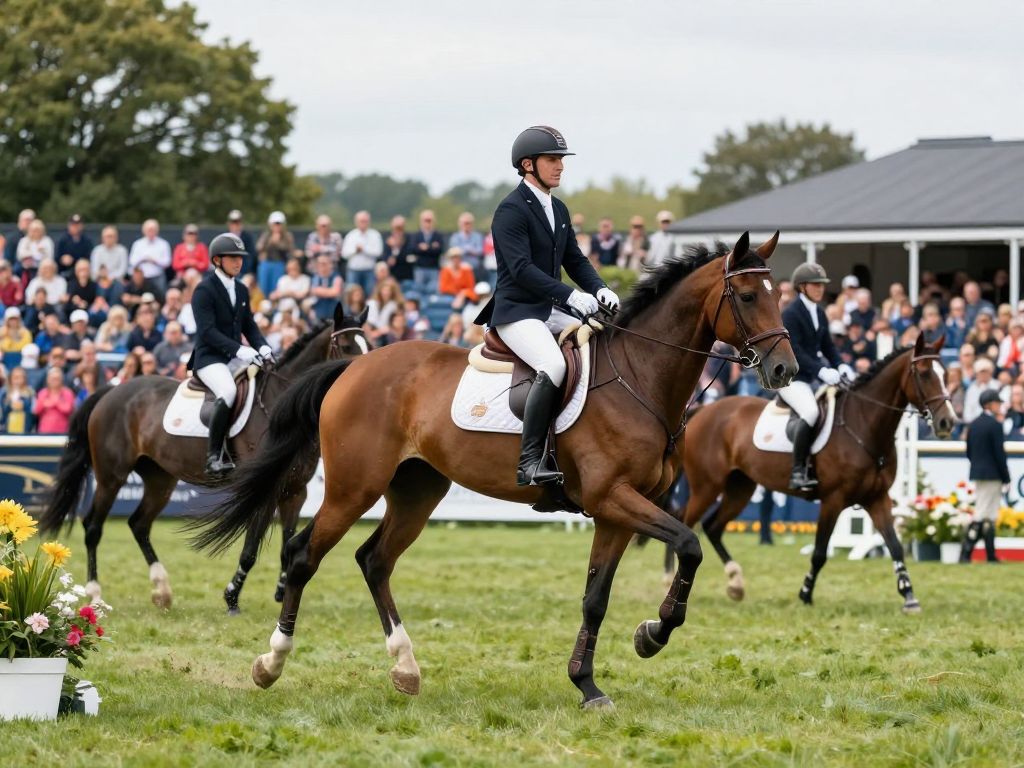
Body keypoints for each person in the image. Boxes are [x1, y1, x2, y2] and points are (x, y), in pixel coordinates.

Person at [476, 126, 616, 487]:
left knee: (604, 344)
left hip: (550, 309)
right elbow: (521, 270)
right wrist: (571, 297)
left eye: (561, 160)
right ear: (528, 165)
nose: (560, 167)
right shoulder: (510, 210)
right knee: (552, 365)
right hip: (517, 311)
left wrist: (600, 289)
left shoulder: (559, 208)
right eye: (552, 160)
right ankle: (529, 462)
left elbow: (575, 260)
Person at [188, 233, 272, 476]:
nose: (239, 262)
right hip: (209, 359)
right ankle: (213, 455)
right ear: (217, 260)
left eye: (241, 258)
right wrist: (239, 349)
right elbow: (207, 331)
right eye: (233, 258)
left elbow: (250, 327)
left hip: (235, 359)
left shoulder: (242, 289)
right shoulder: (204, 290)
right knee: (228, 391)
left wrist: (263, 347)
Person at [778, 263, 854, 490]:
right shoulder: (790, 314)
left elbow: (828, 346)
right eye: (815, 285)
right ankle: (798, 471)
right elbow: (797, 350)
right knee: (811, 412)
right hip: (792, 378)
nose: (820, 289)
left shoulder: (820, 312)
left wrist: (841, 365)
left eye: (822, 285)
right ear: (802, 287)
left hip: (812, 376)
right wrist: (821, 371)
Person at [961, 389, 1009, 563]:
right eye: (997, 402)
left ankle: (990, 555)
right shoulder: (995, 425)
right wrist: (1006, 477)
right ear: (989, 404)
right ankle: (966, 552)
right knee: (983, 514)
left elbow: (969, 451)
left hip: (978, 471)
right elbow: (999, 454)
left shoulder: (973, 424)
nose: (999, 405)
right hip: (993, 473)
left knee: (988, 514)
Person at [340, 211, 383, 296]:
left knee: (370, 295)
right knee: (351, 296)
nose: (363, 223)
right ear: (356, 222)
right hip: (353, 271)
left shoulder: (375, 235)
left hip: (369, 271)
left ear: (369, 222)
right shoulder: (351, 235)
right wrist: (355, 250)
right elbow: (344, 254)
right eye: (361, 221)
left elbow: (378, 252)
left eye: (365, 221)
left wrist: (364, 249)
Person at [256, 211, 294, 299]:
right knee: (263, 288)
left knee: (276, 288)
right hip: (266, 264)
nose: (277, 226)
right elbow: (259, 247)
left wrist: (278, 242)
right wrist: (271, 241)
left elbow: (290, 250)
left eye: (279, 224)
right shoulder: (266, 235)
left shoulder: (287, 236)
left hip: (280, 264)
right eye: (275, 223)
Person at [128, 219, 172, 293]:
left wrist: (155, 261)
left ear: (157, 231)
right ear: (144, 230)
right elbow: (132, 261)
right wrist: (143, 259)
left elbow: (167, 262)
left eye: (153, 230)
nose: (151, 232)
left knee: (160, 298)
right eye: (149, 230)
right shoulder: (137, 244)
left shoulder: (164, 244)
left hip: (157, 277)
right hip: (141, 278)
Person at [407, 210, 444, 292]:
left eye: (429, 220)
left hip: (434, 268)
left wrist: (425, 248)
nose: (427, 223)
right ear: (421, 221)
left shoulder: (438, 235)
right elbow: (412, 249)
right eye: (425, 220)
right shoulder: (416, 235)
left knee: (433, 290)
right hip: (420, 268)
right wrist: (431, 248)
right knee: (419, 290)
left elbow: (440, 250)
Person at [32, 366, 75, 434]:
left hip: (63, 431)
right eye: (53, 379)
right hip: (44, 431)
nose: (55, 381)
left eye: (57, 379)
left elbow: (68, 409)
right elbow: (37, 410)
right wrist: (59, 403)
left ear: (61, 380)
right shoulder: (42, 393)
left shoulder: (68, 393)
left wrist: (53, 402)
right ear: (48, 380)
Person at [0, 366, 35, 434]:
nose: (17, 380)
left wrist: (24, 405)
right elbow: (2, 414)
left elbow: (33, 413)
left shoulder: (31, 393)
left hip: (25, 431)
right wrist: (10, 405)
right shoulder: (4, 393)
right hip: (8, 431)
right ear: (10, 379)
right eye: (15, 377)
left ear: (24, 379)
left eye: (20, 377)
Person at [383, 215, 415, 282]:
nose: (398, 231)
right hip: (391, 275)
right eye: (396, 228)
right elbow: (384, 256)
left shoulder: (409, 238)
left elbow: (409, 255)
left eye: (400, 228)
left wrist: (396, 246)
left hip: (406, 275)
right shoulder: (387, 237)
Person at [226, 210, 257, 276]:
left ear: (241, 223)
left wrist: (240, 271)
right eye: (233, 222)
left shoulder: (247, 237)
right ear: (229, 223)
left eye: (237, 222)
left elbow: (251, 256)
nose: (235, 224)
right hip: (227, 272)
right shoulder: (224, 237)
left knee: (245, 282)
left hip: (244, 272)